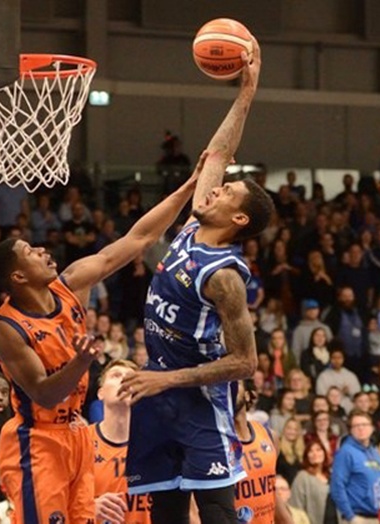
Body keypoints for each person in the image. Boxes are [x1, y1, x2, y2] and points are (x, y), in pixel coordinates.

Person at [0, 129, 214, 523]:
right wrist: (80, 361)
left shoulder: (73, 282)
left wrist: (188, 187)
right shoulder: (5, 327)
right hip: (36, 439)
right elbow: (42, 394)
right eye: (28, 252)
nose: (40, 249)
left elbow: (140, 237)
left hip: (77, 434)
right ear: (18, 278)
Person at [120, 44, 274, 521]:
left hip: (199, 404)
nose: (218, 187)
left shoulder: (223, 276)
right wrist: (246, 90)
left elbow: (246, 362)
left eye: (227, 191)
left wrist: (167, 378)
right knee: (163, 516)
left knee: (217, 515)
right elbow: (219, 152)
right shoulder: (191, 226)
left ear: (239, 217)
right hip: (157, 393)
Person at [89, 360, 151, 524]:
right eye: (116, 376)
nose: (124, 381)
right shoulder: (80, 442)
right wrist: (87, 508)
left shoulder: (159, 443)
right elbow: (56, 503)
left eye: (131, 378)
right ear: (100, 393)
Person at [233, 379, 292, 524]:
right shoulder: (213, 445)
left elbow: (270, 489)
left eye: (234, 383)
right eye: (222, 385)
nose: (228, 388)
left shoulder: (270, 436)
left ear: (248, 395)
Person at [330, 410, 380, 524]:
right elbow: (337, 486)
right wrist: (350, 516)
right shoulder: (345, 452)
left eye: (364, 425)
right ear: (350, 430)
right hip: (358, 517)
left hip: (378, 516)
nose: (361, 428)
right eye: (356, 426)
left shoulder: (375, 452)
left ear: (372, 428)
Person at [290, 441, 332, 524]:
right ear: (307, 456)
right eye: (311, 451)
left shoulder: (332, 474)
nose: (315, 453)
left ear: (324, 453)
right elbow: (296, 507)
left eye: (318, 450)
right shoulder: (302, 477)